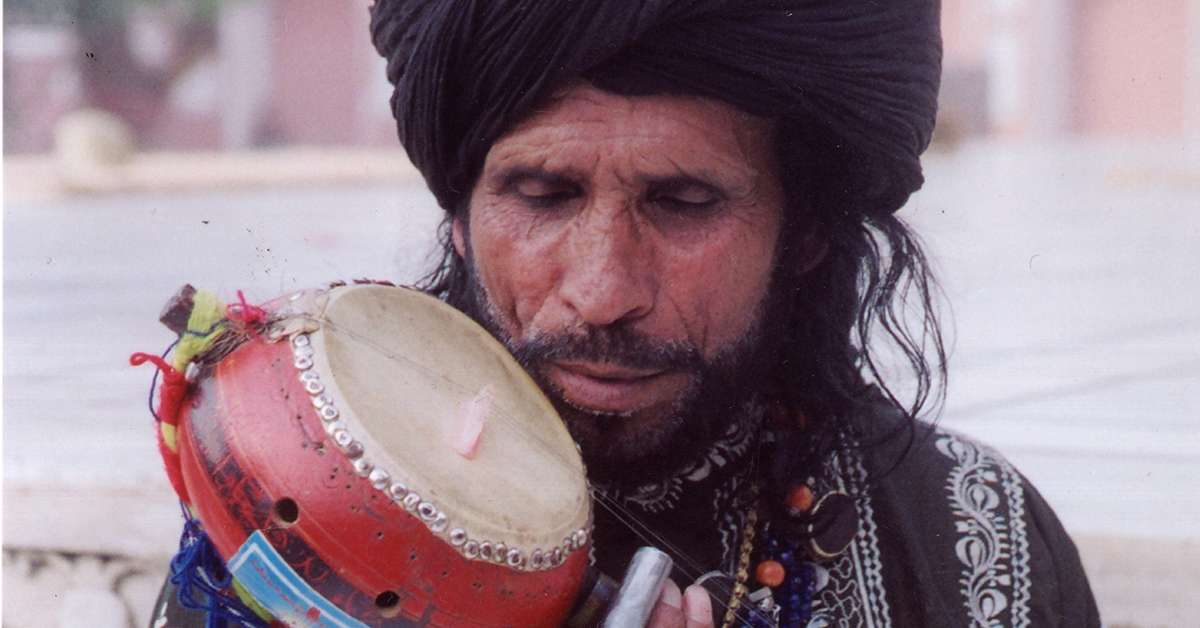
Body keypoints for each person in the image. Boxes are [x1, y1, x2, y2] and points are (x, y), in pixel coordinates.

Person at [154, 1, 1099, 626]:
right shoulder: (315, 517)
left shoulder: (977, 546)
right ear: (459, 210)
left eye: (684, 203)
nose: (603, 291)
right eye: (542, 193)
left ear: (806, 228)